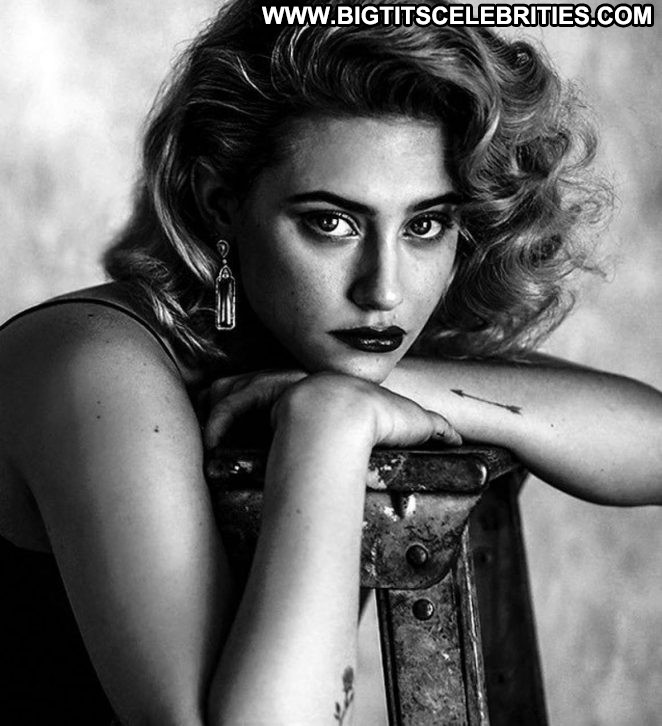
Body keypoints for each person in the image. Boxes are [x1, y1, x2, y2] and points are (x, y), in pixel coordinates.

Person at [0, 0, 660, 723]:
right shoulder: (91, 364)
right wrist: (330, 424)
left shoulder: (321, 345)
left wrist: (380, 390)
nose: (384, 289)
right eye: (331, 223)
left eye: (425, 224)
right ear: (221, 206)